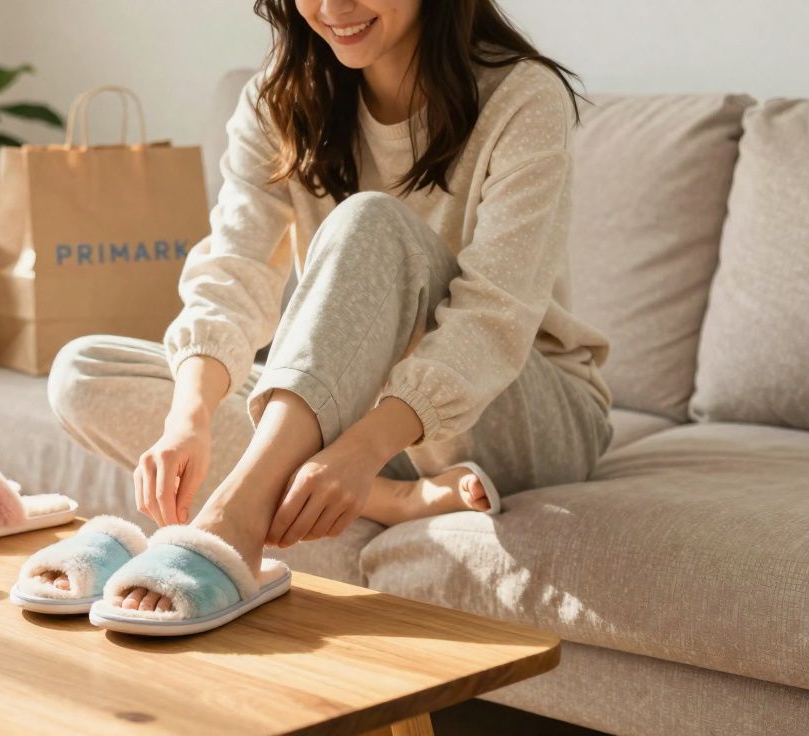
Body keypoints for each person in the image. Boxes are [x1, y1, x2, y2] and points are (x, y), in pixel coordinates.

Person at [43, 0, 612, 615]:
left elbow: (493, 320)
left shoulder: (523, 97)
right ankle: (390, 498)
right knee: (83, 371)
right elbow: (234, 272)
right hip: (352, 414)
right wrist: (192, 416)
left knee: (369, 220)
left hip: (517, 413)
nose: (332, 7)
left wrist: (363, 447)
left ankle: (232, 523)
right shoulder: (279, 99)